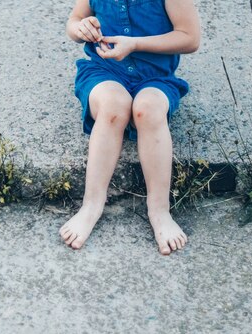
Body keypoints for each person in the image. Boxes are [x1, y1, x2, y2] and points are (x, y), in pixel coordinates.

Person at [59, 0, 201, 255]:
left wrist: (136, 44)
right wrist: (81, 28)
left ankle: (159, 210)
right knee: (114, 106)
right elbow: (74, 21)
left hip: (155, 78)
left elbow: (190, 38)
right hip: (104, 73)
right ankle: (91, 205)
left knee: (147, 109)